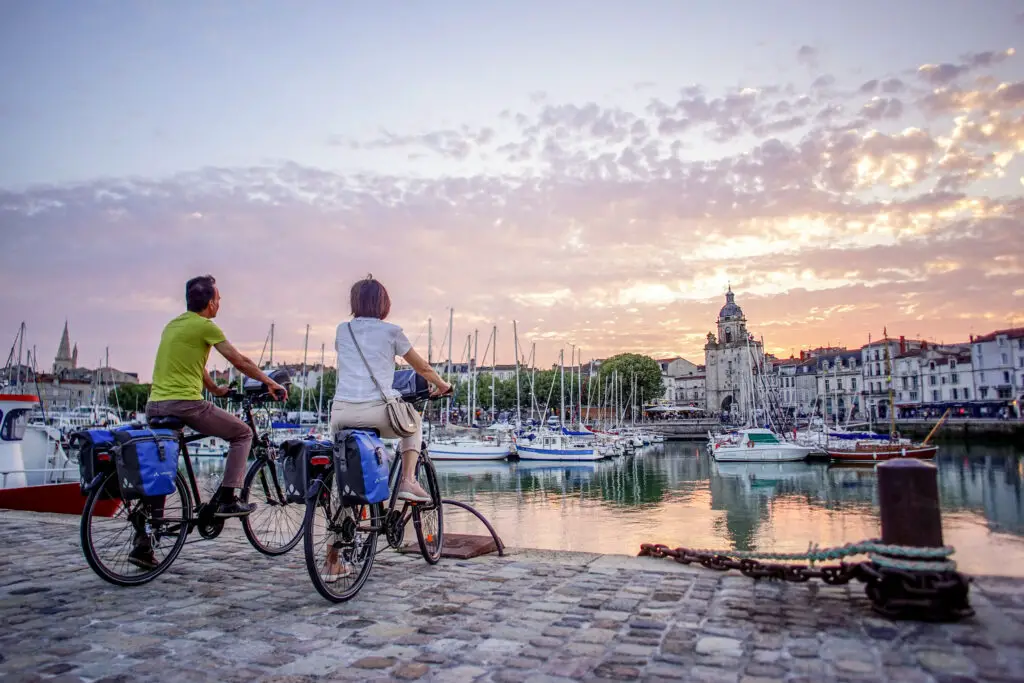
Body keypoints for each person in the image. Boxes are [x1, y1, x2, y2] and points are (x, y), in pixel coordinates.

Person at [135, 275, 287, 569]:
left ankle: (144, 543)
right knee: (242, 434)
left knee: (162, 469)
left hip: (155, 405)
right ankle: (229, 496)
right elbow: (239, 361)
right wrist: (269, 382)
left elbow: (198, 366)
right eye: (218, 299)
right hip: (184, 404)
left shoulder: (174, 325)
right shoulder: (206, 326)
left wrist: (216, 389)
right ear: (209, 303)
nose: (220, 303)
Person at [330, 276, 451, 504]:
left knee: (343, 473)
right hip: (376, 411)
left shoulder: (342, 330)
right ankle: (407, 481)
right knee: (413, 422)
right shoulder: (392, 332)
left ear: (354, 302)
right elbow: (422, 367)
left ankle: (336, 533)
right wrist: (443, 385)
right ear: (383, 304)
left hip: (341, 413)